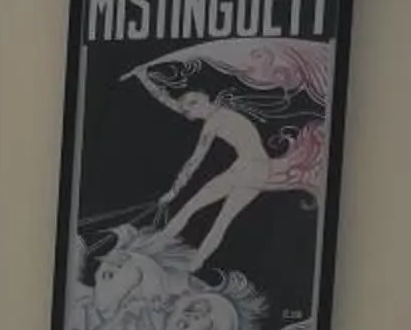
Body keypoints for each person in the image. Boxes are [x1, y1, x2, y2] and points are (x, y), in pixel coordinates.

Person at [129, 58, 326, 270]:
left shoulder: (213, 123)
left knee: (192, 208)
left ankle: (155, 247)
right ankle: (195, 263)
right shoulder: (216, 111)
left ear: (201, 101)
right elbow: (174, 104)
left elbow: (194, 162)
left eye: (190, 110)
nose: (188, 115)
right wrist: (143, 78)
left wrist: (173, 192)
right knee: (222, 220)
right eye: (187, 112)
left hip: (246, 169)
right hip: (259, 170)